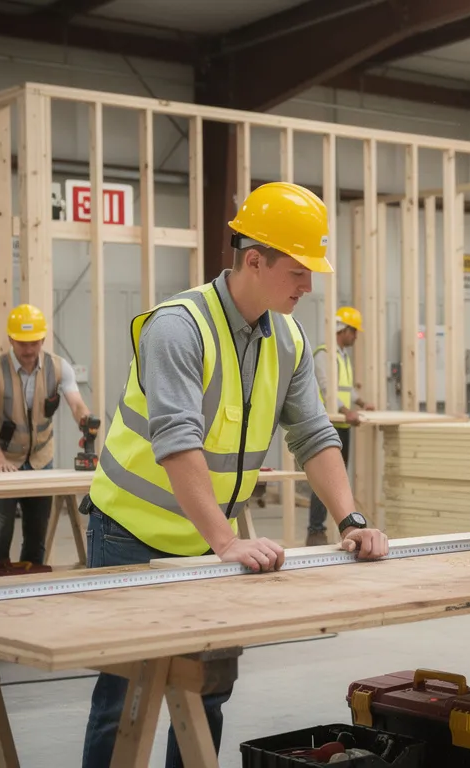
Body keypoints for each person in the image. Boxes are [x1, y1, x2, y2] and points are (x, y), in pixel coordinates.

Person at [79, 182, 390, 768]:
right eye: (299, 270)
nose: (308, 285)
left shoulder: (289, 338)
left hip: (208, 537)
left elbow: (314, 435)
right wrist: (228, 541)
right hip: (128, 533)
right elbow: (177, 441)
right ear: (254, 259)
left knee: (209, 690)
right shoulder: (177, 326)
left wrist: (352, 519)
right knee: (125, 700)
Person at [0, 303, 91, 564]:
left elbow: (76, 404)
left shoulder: (59, 367)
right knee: (0, 532)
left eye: (34, 343)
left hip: (41, 460)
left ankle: (31, 585)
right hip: (2, 460)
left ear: (42, 339)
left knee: (37, 533)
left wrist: (86, 423)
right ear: (11, 340)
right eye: (22, 344)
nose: (28, 350)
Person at [307, 306, 374, 546]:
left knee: (338, 478)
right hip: (329, 423)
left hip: (342, 423)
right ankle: (315, 530)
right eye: (353, 331)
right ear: (342, 329)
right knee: (325, 478)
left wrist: (361, 402)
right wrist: (346, 411)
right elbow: (326, 387)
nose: (355, 336)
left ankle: (340, 527)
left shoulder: (342, 355)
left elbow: (346, 389)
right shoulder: (324, 354)